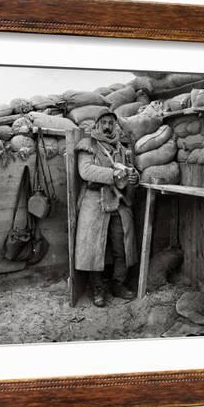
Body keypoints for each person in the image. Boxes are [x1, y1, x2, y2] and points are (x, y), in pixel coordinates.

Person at [74, 109, 139, 307]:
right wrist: (114, 174)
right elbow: (85, 171)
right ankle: (97, 288)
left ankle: (118, 284)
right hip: (94, 200)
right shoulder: (88, 145)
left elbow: (129, 172)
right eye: (104, 123)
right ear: (96, 125)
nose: (108, 126)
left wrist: (134, 177)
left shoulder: (121, 148)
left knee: (122, 246)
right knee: (94, 247)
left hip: (118, 200)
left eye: (111, 123)